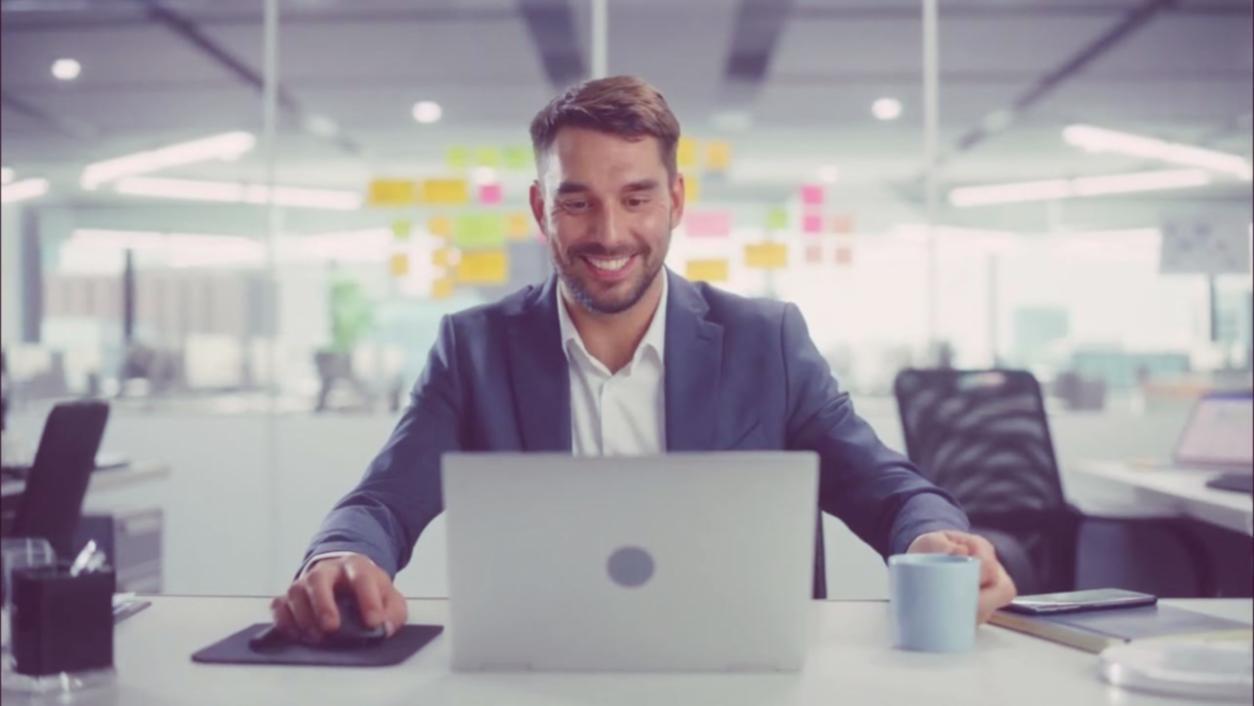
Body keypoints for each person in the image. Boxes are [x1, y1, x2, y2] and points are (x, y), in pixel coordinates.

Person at [272, 76, 1016, 644]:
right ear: (540, 209)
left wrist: (933, 538)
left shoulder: (766, 341)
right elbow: (380, 504)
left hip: (740, 675)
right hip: (539, 674)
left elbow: (891, 492)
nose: (609, 233)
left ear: (676, 201)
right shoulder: (475, 351)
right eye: (577, 202)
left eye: (636, 199)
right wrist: (339, 558)